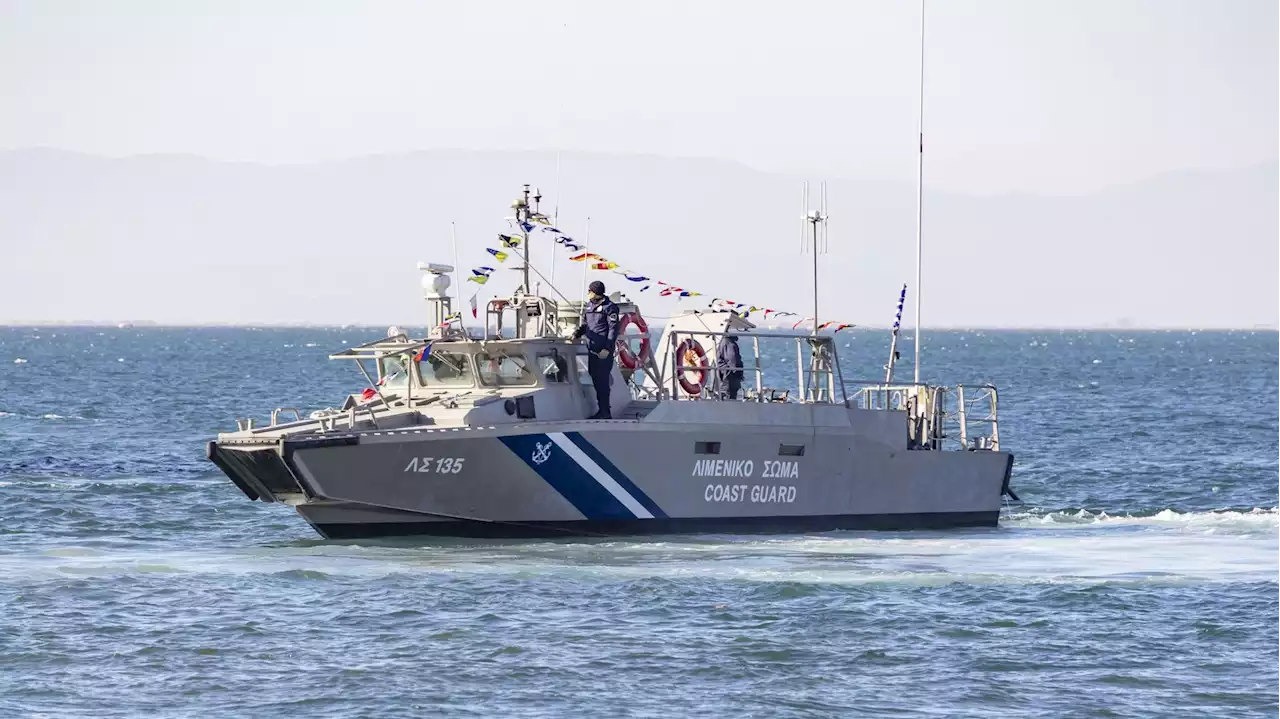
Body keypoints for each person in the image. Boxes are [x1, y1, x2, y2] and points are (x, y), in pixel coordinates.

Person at [572, 280, 620, 419]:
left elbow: (613, 329)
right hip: (592, 350)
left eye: (590, 291)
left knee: (602, 381)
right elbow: (586, 325)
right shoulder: (589, 306)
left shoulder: (610, 308)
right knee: (596, 380)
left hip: (603, 352)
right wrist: (577, 334)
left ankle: (605, 412)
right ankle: (602, 409)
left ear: (595, 292)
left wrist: (607, 348)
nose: (588, 293)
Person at [716, 332, 744, 399]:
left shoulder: (722, 342)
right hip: (730, 375)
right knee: (730, 395)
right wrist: (737, 372)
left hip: (724, 373)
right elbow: (732, 358)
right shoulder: (730, 343)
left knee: (725, 393)